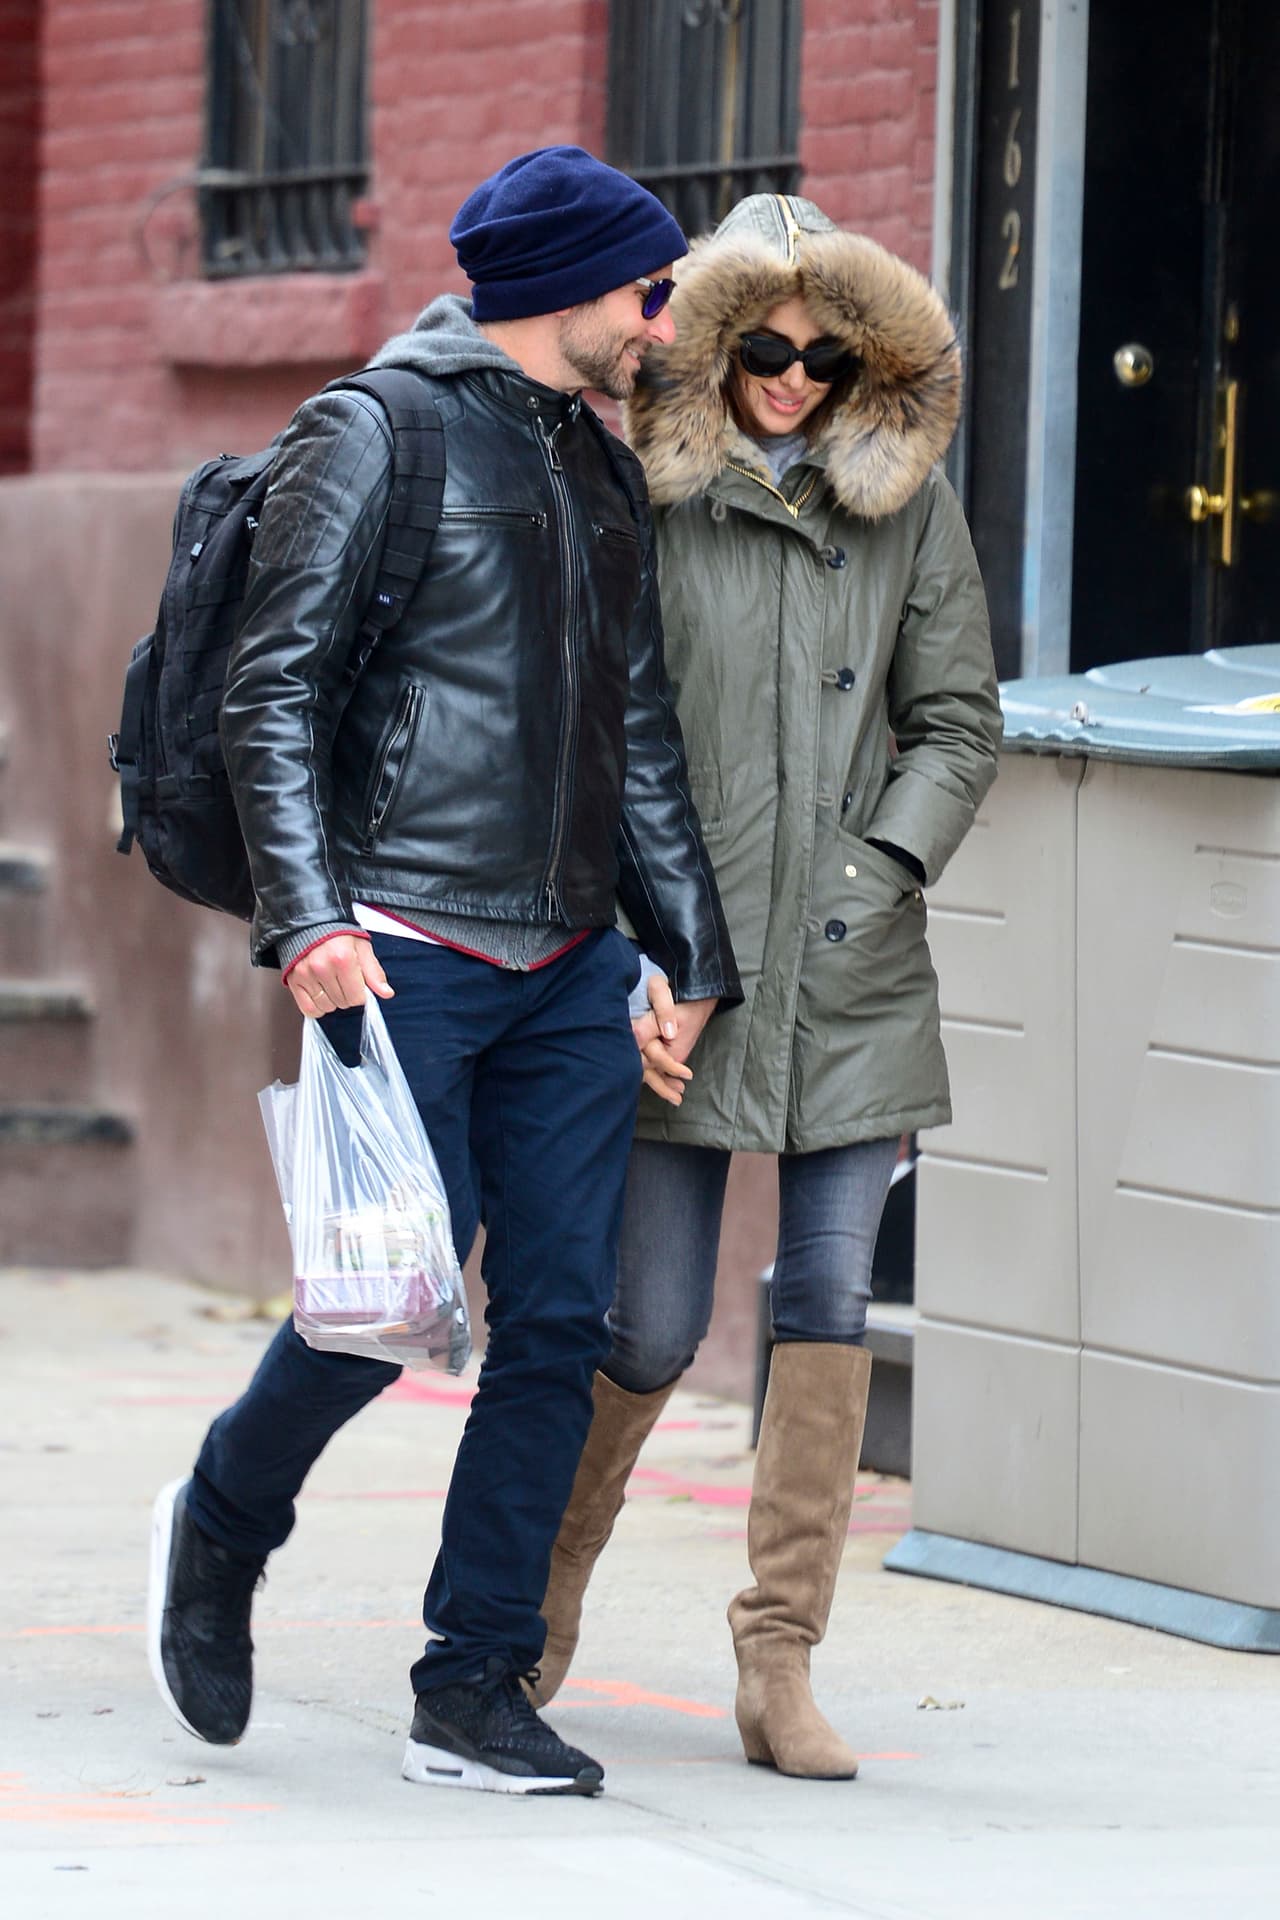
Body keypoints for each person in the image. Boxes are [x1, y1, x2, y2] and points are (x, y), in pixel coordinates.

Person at [145, 147, 741, 1800]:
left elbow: (638, 735)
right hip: (402, 946)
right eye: (651, 289)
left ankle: (472, 1684)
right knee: (382, 1310)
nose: (666, 320)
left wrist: (690, 955)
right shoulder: (377, 430)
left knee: (558, 1321)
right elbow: (272, 691)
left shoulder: (601, 464)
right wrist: (307, 919)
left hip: (572, 960)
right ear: (572, 289)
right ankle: (222, 1517)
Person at [531, 193, 1003, 1780]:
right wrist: (635, 950)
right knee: (650, 1323)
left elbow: (960, 722)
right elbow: (586, 740)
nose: (792, 380)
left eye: (824, 356)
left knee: (827, 1305)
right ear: (713, 347)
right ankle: (541, 1599)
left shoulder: (908, 506)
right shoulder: (643, 496)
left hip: (854, 968)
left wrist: (882, 872)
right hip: (676, 972)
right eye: (763, 352)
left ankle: (780, 1657)